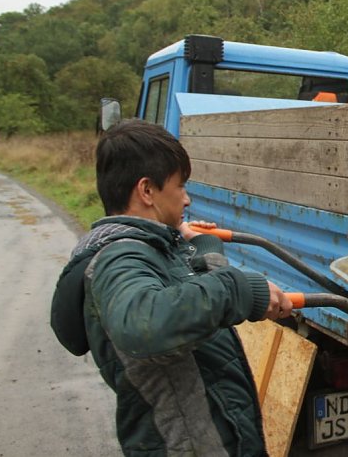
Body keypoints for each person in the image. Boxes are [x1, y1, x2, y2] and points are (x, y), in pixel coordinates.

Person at [51, 118, 292, 456]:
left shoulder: (152, 248)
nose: (187, 199)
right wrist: (241, 289)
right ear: (147, 191)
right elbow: (144, 322)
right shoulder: (119, 258)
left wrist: (204, 247)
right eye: (180, 186)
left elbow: (195, 305)